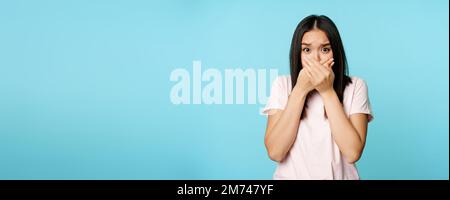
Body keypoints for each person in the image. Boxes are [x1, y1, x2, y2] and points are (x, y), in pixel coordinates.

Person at [262, 15, 373, 180]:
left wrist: (327, 91)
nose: (316, 59)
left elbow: (352, 153)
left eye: (325, 49)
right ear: (298, 54)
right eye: (307, 50)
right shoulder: (282, 85)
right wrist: (300, 90)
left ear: (335, 52)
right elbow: (275, 152)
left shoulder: (356, 86)